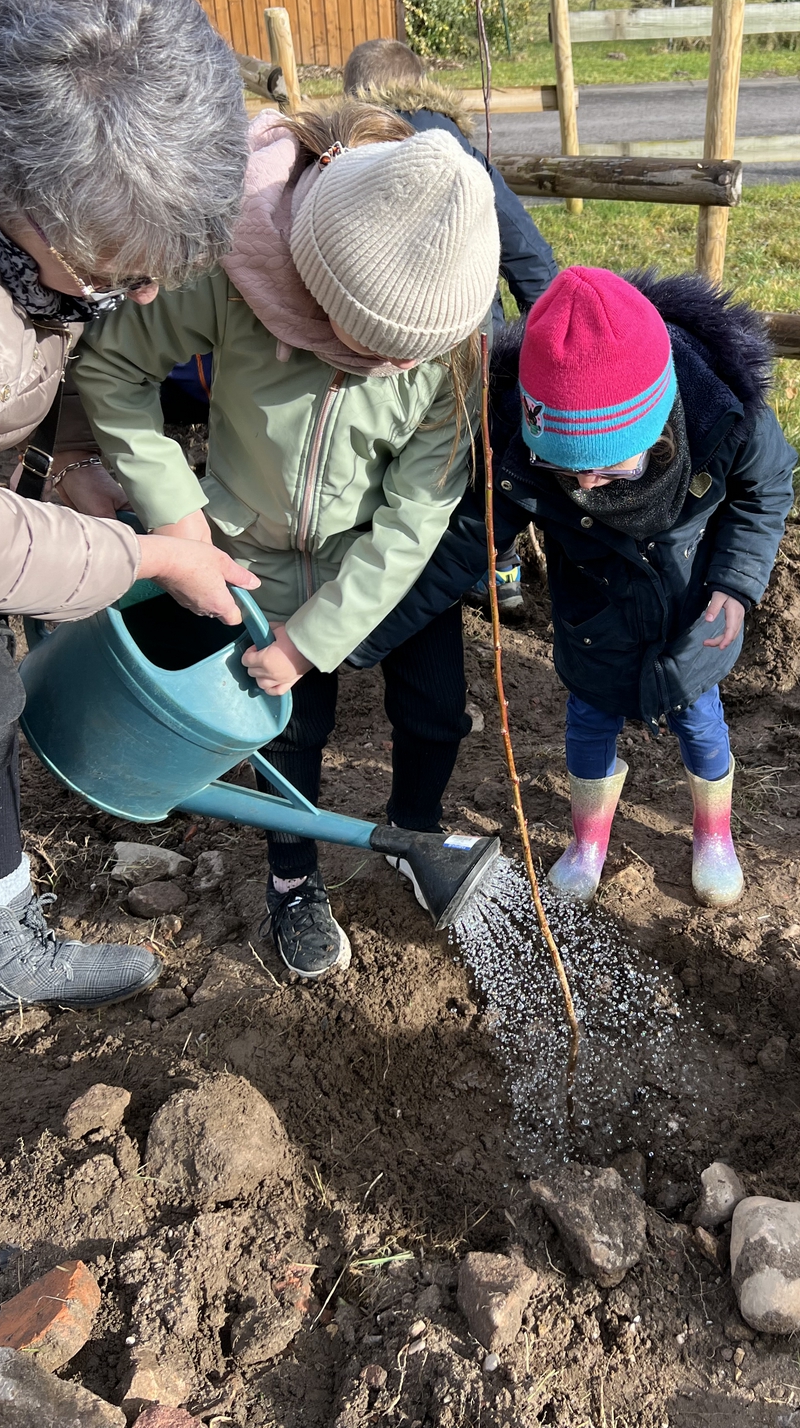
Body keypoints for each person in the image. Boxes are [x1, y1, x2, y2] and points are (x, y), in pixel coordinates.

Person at [74, 102, 500, 979]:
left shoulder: (452, 347)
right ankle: (294, 879)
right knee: (286, 728)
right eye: (368, 347)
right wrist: (178, 517)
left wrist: (317, 639)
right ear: (318, 286)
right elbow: (113, 365)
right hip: (250, 556)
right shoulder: (234, 275)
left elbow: (417, 511)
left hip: (380, 565)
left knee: (433, 710)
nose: (389, 370)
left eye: (406, 359)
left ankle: (414, 831)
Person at [0, 0, 258, 1015]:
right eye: (112, 275)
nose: (140, 298)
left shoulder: (66, 71)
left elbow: (55, 320)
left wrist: (77, 456)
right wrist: (143, 556)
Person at [352, 266, 798, 907]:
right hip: (595, 623)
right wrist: (355, 640)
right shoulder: (520, 452)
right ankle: (588, 841)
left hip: (694, 620)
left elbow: (766, 491)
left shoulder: (722, 416)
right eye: (563, 466)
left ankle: (713, 833)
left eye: (610, 467)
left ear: (659, 422)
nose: (585, 485)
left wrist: (737, 581)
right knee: (588, 728)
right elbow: (457, 553)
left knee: (701, 725)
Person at [345, 36, 561, 616]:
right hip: (473, 336)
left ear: (357, 94)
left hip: (380, 334)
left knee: (402, 452)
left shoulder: (356, 148)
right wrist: (546, 341)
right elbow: (528, 252)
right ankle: (498, 567)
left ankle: (394, 565)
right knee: (477, 449)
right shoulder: (459, 148)